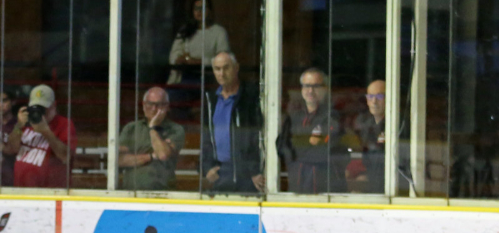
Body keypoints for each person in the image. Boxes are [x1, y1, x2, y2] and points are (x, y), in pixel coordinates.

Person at [200, 52, 264, 194]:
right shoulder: (211, 99)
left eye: (226, 68)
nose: (221, 73)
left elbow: (255, 135)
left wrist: (254, 171)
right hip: (220, 173)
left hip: (247, 174)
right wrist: (207, 168)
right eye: (217, 69)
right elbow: (206, 138)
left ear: (236, 68)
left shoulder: (250, 96)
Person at [277, 67, 346, 194]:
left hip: (326, 190)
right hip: (296, 187)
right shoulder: (293, 117)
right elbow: (281, 147)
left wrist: (297, 150)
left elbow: (324, 151)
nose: (310, 91)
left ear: (325, 89)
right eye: (306, 86)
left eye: (316, 86)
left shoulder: (333, 116)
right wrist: (306, 146)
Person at [5, 84, 75, 189]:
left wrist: (46, 131)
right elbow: (11, 148)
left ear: (54, 105)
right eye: (36, 108)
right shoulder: (27, 121)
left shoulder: (64, 124)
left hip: (50, 191)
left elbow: (65, 156)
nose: (40, 113)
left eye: (43, 108)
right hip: (21, 189)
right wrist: (18, 126)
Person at [118, 87, 185, 191]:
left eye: (158, 105)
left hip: (163, 194)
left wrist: (153, 128)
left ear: (167, 107)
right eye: (150, 104)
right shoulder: (131, 128)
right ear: (144, 106)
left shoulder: (175, 129)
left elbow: (162, 155)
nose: (154, 109)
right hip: (131, 193)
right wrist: (151, 156)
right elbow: (119, 160)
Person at [169, 0, 231, 71]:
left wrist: (199, 62)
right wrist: (181, 60)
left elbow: (223, 59)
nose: (199, 11)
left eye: (203, 8)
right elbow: (173, 56)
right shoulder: (184, 31)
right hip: (183, 75)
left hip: (208, 75)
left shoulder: (219, 32)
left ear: (209, 10)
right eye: (196, 8)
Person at [354, 78, 386, 194]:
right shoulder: (365, 125)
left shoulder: (397, 125)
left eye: (379, 97)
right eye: (370, 97)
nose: (374, 102)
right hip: (371, 186)